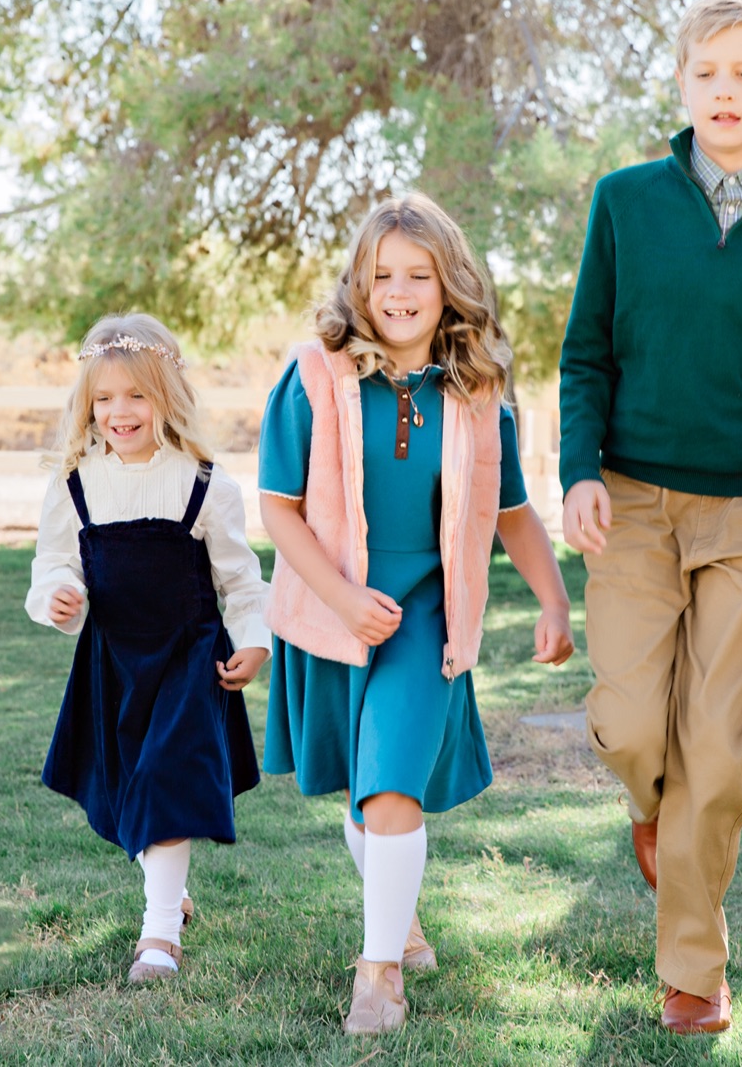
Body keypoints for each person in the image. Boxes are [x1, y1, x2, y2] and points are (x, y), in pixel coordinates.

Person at [557, 0, 742, 1033]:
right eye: (705, 72)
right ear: (680, 83)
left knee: (719, 753)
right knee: (634, 725)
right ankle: (649, 811)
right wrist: (576, 470)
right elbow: (584, 350)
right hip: (631, 502)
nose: (723, 90)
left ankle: (693, 970)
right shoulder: (624, 200)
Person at [258, 193, 575, 1036]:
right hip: (337, 607)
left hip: (429, 613)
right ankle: (399, 915)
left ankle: (379, 972)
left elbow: (510, 511)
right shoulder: (314, 375)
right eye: (381, 274)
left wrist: (553, 597)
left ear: (450, 285)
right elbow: (278, 506)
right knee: (365, 799)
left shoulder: (478, 391)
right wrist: (342, 598)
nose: (398, 291)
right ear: (358, 283)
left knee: (393, 780)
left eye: (418, 275)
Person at [28, 313, 272, 984]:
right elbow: (52, 565)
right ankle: (168, 887)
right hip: (112, 663)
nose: (119, 411)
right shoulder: (74, 483)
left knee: (164, 781)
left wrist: (255, 641)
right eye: (104, 397)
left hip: (189, 659)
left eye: (136, 394)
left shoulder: (203, 483)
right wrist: (57, 595)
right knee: (125, 791)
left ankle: (159, 935)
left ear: (167, 394)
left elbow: (242, 579)